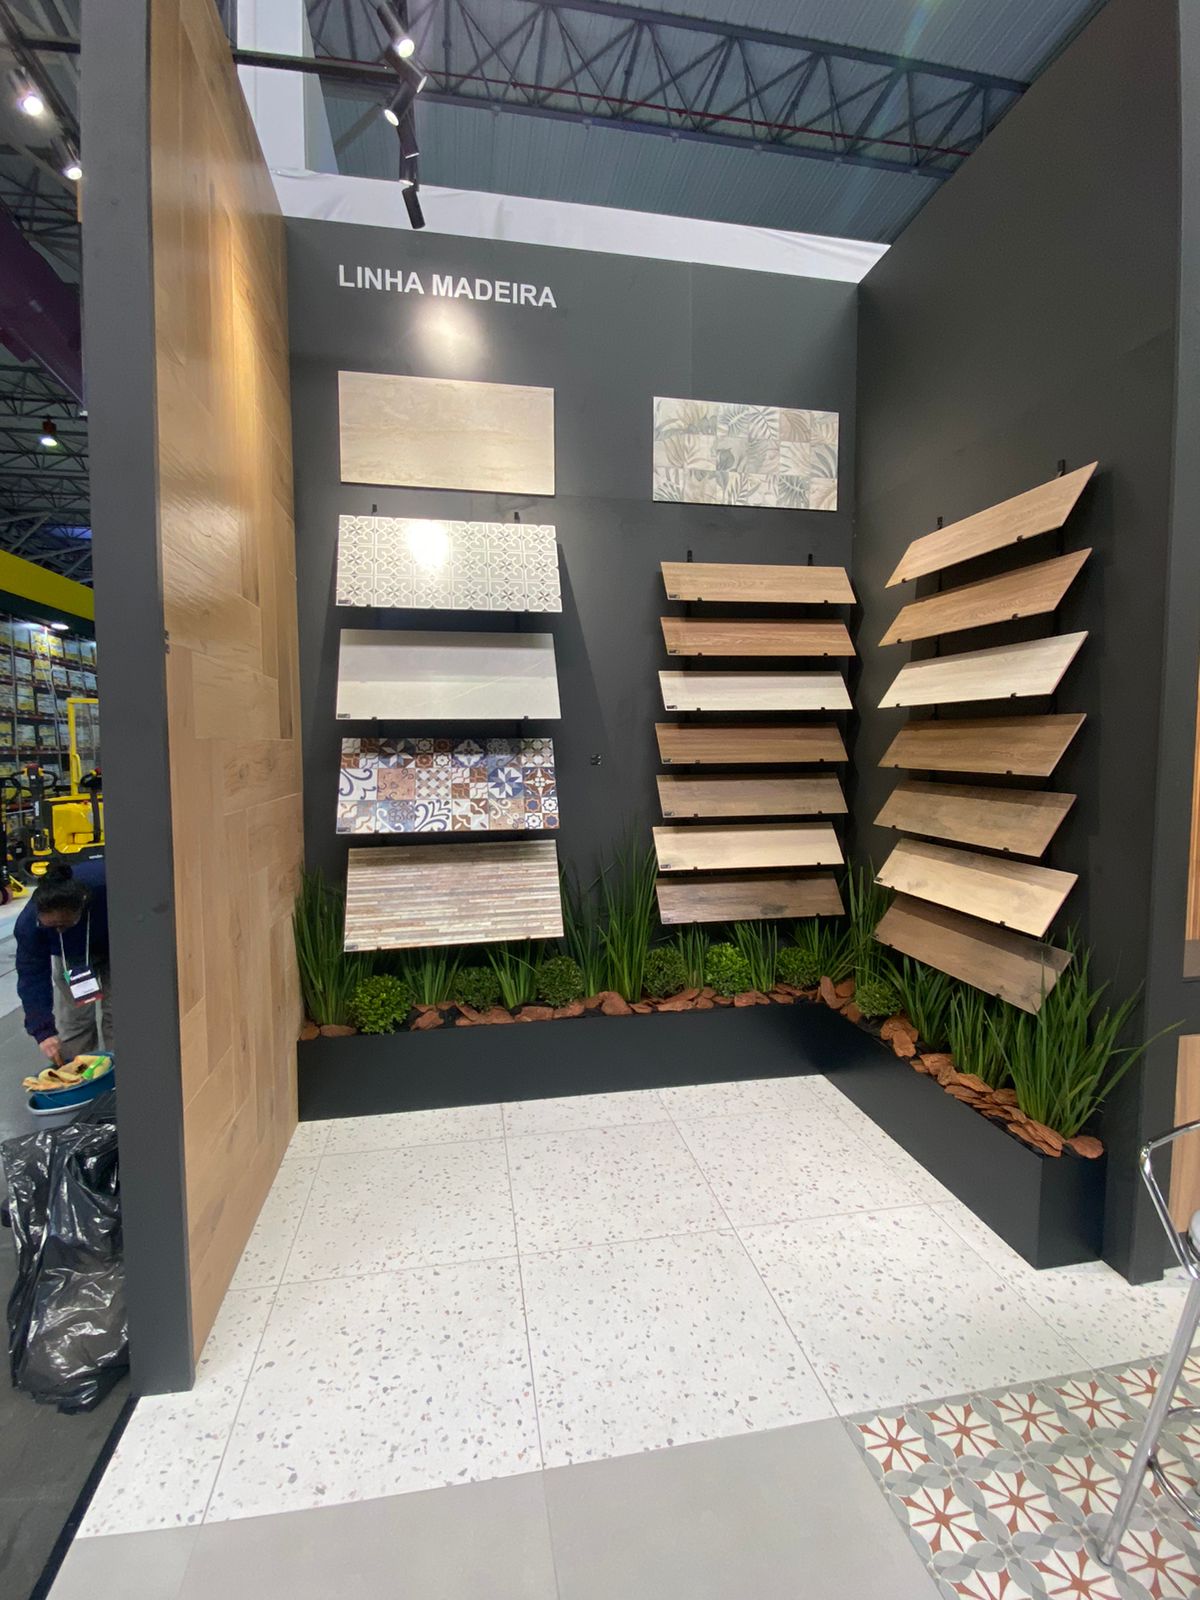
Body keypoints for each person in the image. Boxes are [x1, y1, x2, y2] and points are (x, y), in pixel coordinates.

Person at [15, 857, 112, 1063]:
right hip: (71, 956)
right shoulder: (29, 925)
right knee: (75, 1022)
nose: (58, 930)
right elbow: (31, 976)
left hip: (117, 943)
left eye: (63, 924)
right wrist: (43, 1030)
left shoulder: (105, 888)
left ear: (81, 906)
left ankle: (124, 1071)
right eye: (51, 926)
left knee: (120, 1016)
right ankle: (79, 1073)